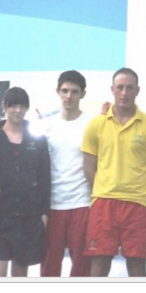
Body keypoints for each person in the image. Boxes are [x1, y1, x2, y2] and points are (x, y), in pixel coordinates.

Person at [81, 67, 146, 277]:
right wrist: (105, 188)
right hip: (104, 203)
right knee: (99, 263)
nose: (124, 93)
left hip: (139, 205)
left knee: (137, 265)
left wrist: (138, 191)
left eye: (129, 88)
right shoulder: (95, 125)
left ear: (137, 90)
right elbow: (89, 168)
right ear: (112, 89)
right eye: (120, 87)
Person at [0, 87, 51, 277]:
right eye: (13, 105)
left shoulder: (37, 139)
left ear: (27, 108)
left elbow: (44, 178)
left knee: (20, 274)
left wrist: (44, 213)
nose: (17, 110)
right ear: (4, 107)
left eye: (22, 106)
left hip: (28, 218)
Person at [40, 70, 92, 277]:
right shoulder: (46, 126)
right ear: (58, 92)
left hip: (82, 202)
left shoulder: (92, 124)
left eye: (74, 91)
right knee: (49, 264)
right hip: (53, 204)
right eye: (65, 91)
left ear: (83, 94)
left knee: (82, 264)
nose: (69, 96)